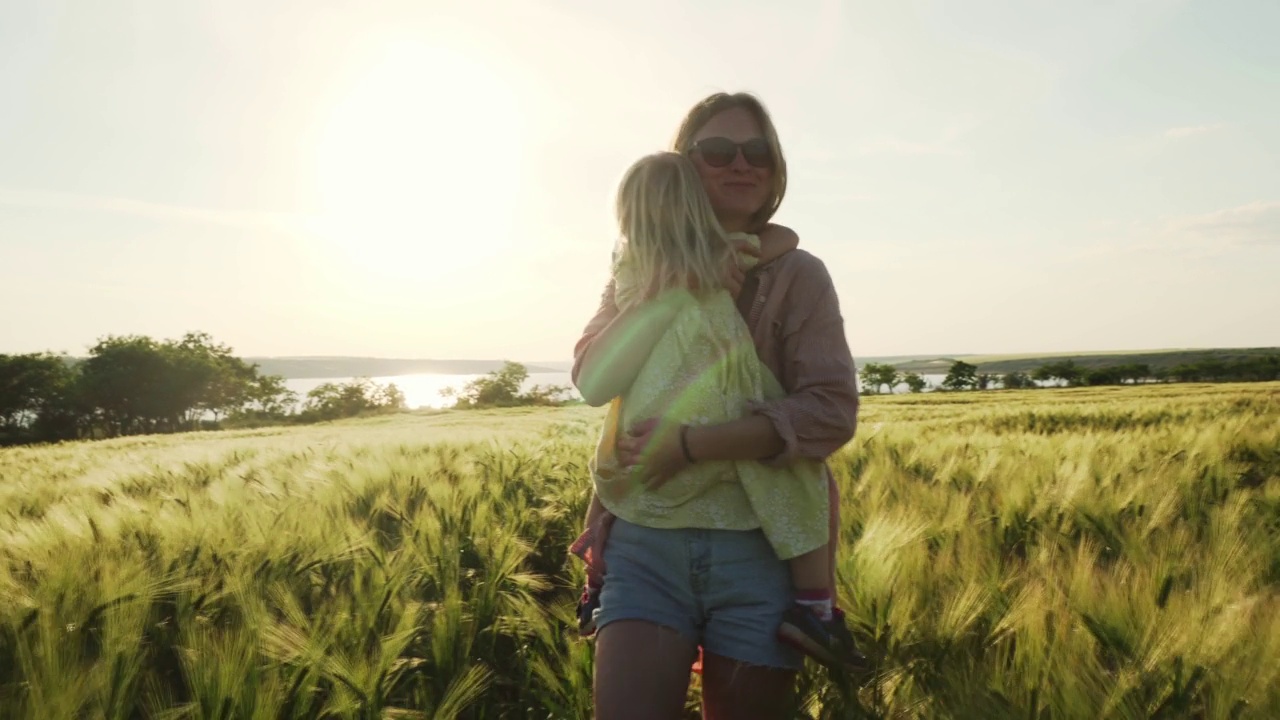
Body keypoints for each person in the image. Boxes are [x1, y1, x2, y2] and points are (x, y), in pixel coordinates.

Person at [571, 91, 862, 719]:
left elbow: (830, 412)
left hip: (760, 545)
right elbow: (594, 380)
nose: (742, 164)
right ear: (683, 167)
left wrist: (689, 445)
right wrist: (674, 293)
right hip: (646, 541)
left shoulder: (797, 274)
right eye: (718, 150)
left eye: (758, 151)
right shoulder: (636, 270)